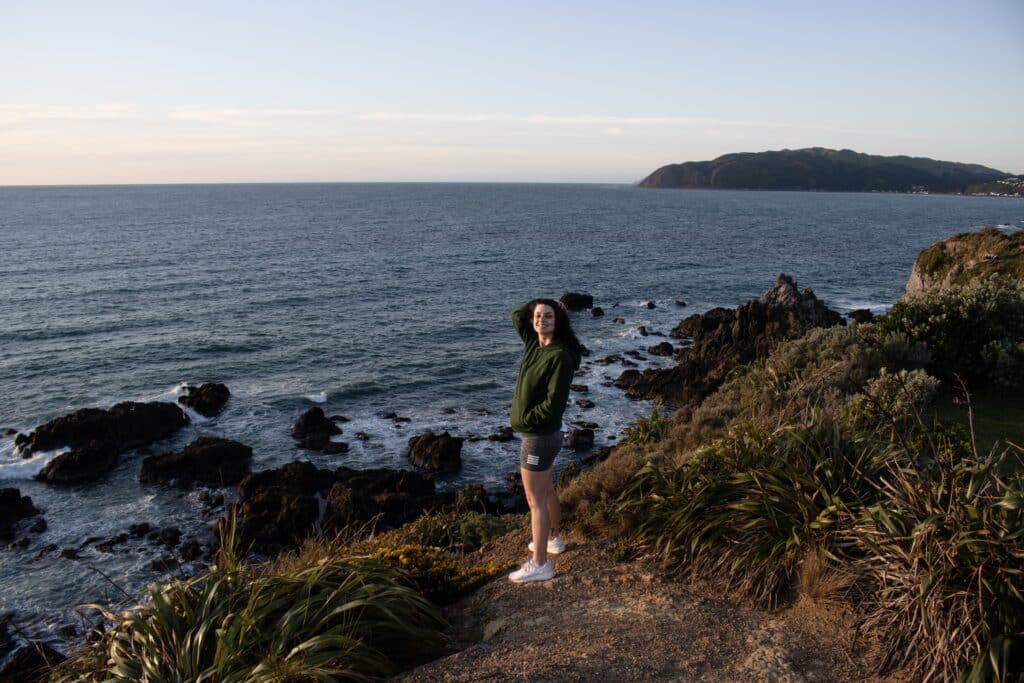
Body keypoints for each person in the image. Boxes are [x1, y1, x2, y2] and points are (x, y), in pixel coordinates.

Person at [507, 298, 584, 583]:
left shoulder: (559, 357)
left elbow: (553, 405)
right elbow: (517, 316)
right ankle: (554, 539)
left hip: (539, 437)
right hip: (544, 435)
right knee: (547, 488)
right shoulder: (534, 345)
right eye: (538, 316)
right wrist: (541, 303)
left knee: (534, 499)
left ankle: (540, 564)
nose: (541, 320)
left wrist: (525, 420)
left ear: (559, 321)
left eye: (549, 316)